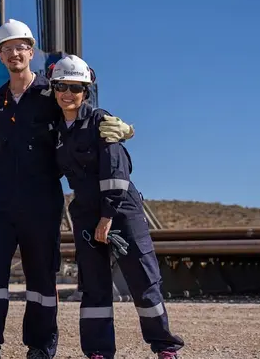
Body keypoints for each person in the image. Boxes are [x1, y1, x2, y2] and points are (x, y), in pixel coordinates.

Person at [0, 19, 136, 359]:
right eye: (7, 48)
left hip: (41, 199)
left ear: (31, 51)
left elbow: (82, 114)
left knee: (41, 277)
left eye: (20, 46)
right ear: (0, 55)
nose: (14, 53)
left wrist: (116, 126)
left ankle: (40, 347)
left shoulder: (51, 94)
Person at [48, 55, 185, 359]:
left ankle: (164, 347)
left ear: (86, 90)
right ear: (53, 88)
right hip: (85, 211)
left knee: (143, 282)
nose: (68, 93)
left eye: (75, 87)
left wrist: (107, 217)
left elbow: (116, 171)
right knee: (94, 287)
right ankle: (98, 351)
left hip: (121, 211)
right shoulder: (56, 131)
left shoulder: (101, 122)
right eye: (61, 86)